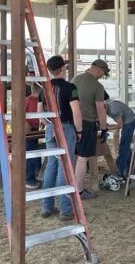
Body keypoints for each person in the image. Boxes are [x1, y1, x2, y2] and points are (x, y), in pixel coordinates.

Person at [38, 56, 81, 220]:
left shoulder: (44, 88)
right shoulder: (71, 88)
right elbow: (76, 112)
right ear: (63, 68)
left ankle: (46, 206)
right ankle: (66, 209)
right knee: (66, 166)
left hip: (50, 128)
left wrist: (48, 123)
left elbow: (40, 112)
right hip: (67, 127)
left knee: (51, 166)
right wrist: (80, 130)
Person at [71, 59, 110, 199]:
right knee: (83, 158)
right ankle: (79, 191)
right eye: (103, 73)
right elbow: (100, 109)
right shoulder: (97, 86)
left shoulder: (74, 79)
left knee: (73, 156)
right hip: (87, 123)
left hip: (72, 123)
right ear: (98, 70)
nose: (102, 76)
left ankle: (71, 187)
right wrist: (104, 128)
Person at [104, 96, 135, 180]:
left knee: (123, 147)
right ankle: (130, 169)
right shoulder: (106, 104)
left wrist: (106, 128)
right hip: (127, 119)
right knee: (125, 146)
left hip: (129, 121)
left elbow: (120, 125)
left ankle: (119, 172)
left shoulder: (113, 110)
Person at [25, 83, 43, 190]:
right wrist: (27, 125)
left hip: (34, 130)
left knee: (36, 153)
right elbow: (21, 115)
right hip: (28, 131)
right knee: (31, 154)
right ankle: (29, 179)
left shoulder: (38, 101)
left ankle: (37, 174)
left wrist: (41, 121)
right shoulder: (27, 100)